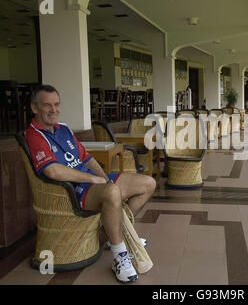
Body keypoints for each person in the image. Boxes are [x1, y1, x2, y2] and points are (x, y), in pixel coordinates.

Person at [25, 85, 156, 283]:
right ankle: (120, 257)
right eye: (47, 105)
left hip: (90, 183)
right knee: (111, 192)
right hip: (70, 190)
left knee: (148, 183)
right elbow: (52, 170)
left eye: (57, 104)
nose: (54, 110)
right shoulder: (34, 135)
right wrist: (93, 179)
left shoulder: (64, 129)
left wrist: (103, 178)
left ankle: (117, 231)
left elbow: (86, 158)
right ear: (35, 108)